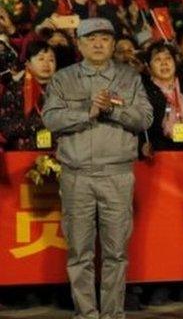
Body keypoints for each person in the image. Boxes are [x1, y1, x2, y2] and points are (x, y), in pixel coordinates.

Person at [41, 17, 153, 319]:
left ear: (113, 43)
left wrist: (113, 110)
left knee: (116, 254)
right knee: (80, 254)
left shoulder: (129, 78)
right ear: (79, 44)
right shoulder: (63, 79)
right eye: (91, 39)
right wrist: (87, 111)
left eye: (104, 38)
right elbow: (50, 118)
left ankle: (113, 314)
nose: (98, 43)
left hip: (117, 175)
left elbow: (145, 118)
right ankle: (86, 314)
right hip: (77, 176)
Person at [142, 42, 183, 152]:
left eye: (168, 58)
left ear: (175, 62)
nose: (164, 63)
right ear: (148, 67)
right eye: (158, 60)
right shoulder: (145, 92)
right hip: (162, 152)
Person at [0, 41, 57, 150]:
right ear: (28, 64)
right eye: (41, 59)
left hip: (60, 154)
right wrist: (39, 122)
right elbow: (6, 127)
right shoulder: (14, 89)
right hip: (24, 155)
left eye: (51, 60)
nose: (46, 64)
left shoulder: (65, 89)